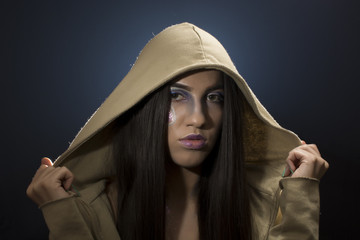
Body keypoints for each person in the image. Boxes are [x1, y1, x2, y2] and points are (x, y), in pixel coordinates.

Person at [27, 22, 329, 240]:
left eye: (215, 98)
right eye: (177, 95)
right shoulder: (91, 209)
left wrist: (300, 200)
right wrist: (64, 218)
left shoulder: (266, 205)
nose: (198, 119)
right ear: (143, 106)